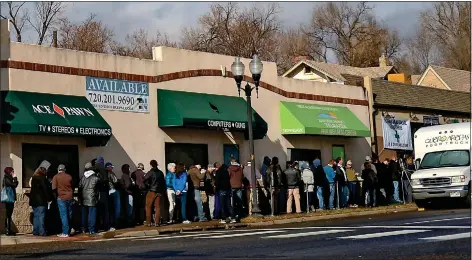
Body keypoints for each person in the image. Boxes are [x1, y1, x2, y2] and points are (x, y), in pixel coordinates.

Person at [52, 164, 73, 238]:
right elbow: (72, 185)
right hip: (70, 197)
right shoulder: (69, 176)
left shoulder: (56, 177)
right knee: (69, 215)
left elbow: (53, 188)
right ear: (65, 170)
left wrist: (55, 197)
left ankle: (65, 232)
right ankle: (69, 231)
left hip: (61, 197)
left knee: (63, 215)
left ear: (58, 169)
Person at [30, 166, 52, 236]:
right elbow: (45, 190)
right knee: (41, 216)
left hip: (34, 200)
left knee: (36, 216)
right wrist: (48, 199)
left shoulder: (33, 178)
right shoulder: (43, 179)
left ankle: (35, 231)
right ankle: (42, 232)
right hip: (41, 200)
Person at [79, 162, 100, 236]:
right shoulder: (96, 178)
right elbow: (98, 189)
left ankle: (84, 229)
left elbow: (80, 187)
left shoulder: (83, 178)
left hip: (84, 198)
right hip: (92, 198)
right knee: (92, 215)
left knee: (84, 214)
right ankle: (92, 230)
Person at [143, 160, 166, 227]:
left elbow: (144, 179)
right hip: (159, 192)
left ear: (151, 165)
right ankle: (157, 222)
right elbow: (163, 183)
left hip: (151, 191)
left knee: (148, 207)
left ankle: (148, 222)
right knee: (158, 207)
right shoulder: (161, 173)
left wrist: (148, 185)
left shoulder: (150, 172)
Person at [94, 156, 111, 231]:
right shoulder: (104, 170)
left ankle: (97, 226)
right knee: (105, 210)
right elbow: (106, 181)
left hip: (95, 192)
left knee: (96, 210)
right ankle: (105, 226)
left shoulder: (93, 169)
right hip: (103, 192)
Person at [2, 167, 18, 236]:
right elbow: (14, 185)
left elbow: (14, 185)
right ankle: (8, 230)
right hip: (8, 199)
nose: (13, 172)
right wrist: (15, 178)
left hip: (10, 198)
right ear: (9, 172)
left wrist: (14, 179)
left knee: (9, 214)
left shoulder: (8, 178)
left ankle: (9, 229)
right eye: (12, 171)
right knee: (8, 214)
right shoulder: (6, 178)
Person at [228, 157, 244, 222]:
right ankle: (239, 214)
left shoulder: (229, 169)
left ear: (231, 162)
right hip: (239, 185)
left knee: (232, 202)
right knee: (239, 201)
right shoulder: (240, 168)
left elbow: (228, 176)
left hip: (232, 186)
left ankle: (233, 215)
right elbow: (242, 176)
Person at [105, 162, 120, 230]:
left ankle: (110, 223)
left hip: (107, 192)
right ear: (109, 167)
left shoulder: (104, 173)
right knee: (116, 208)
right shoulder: (110, 173)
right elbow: (115, 181)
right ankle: (115, 223)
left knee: (110, 209)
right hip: (113, 191)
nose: (112, 168)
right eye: (111, 167)